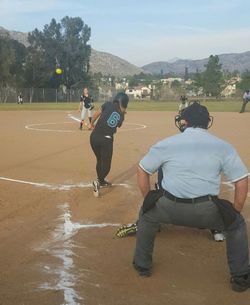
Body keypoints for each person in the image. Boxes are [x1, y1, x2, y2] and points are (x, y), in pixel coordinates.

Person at [132, 102, 249, 292]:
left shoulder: (167, 143)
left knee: (146, 215)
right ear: (207, 122)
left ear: (184, 122)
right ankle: (240, 276)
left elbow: (142, 169)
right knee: (237, 223)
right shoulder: (223, 146)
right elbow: (241, 180)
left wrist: (149, 200)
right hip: (207, 212)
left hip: (168, 208)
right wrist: (234, 210)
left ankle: (142, 266)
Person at [90, 92, 129, 197]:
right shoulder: (121, 115)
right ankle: (98, 181)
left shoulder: (107, 104)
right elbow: (118, 124)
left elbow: (96, 114)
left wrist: (91, 123)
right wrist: (123, 113)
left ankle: (101, 181)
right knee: (106, 165)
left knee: (99, 159)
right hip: (106, 139)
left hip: (93, 137)